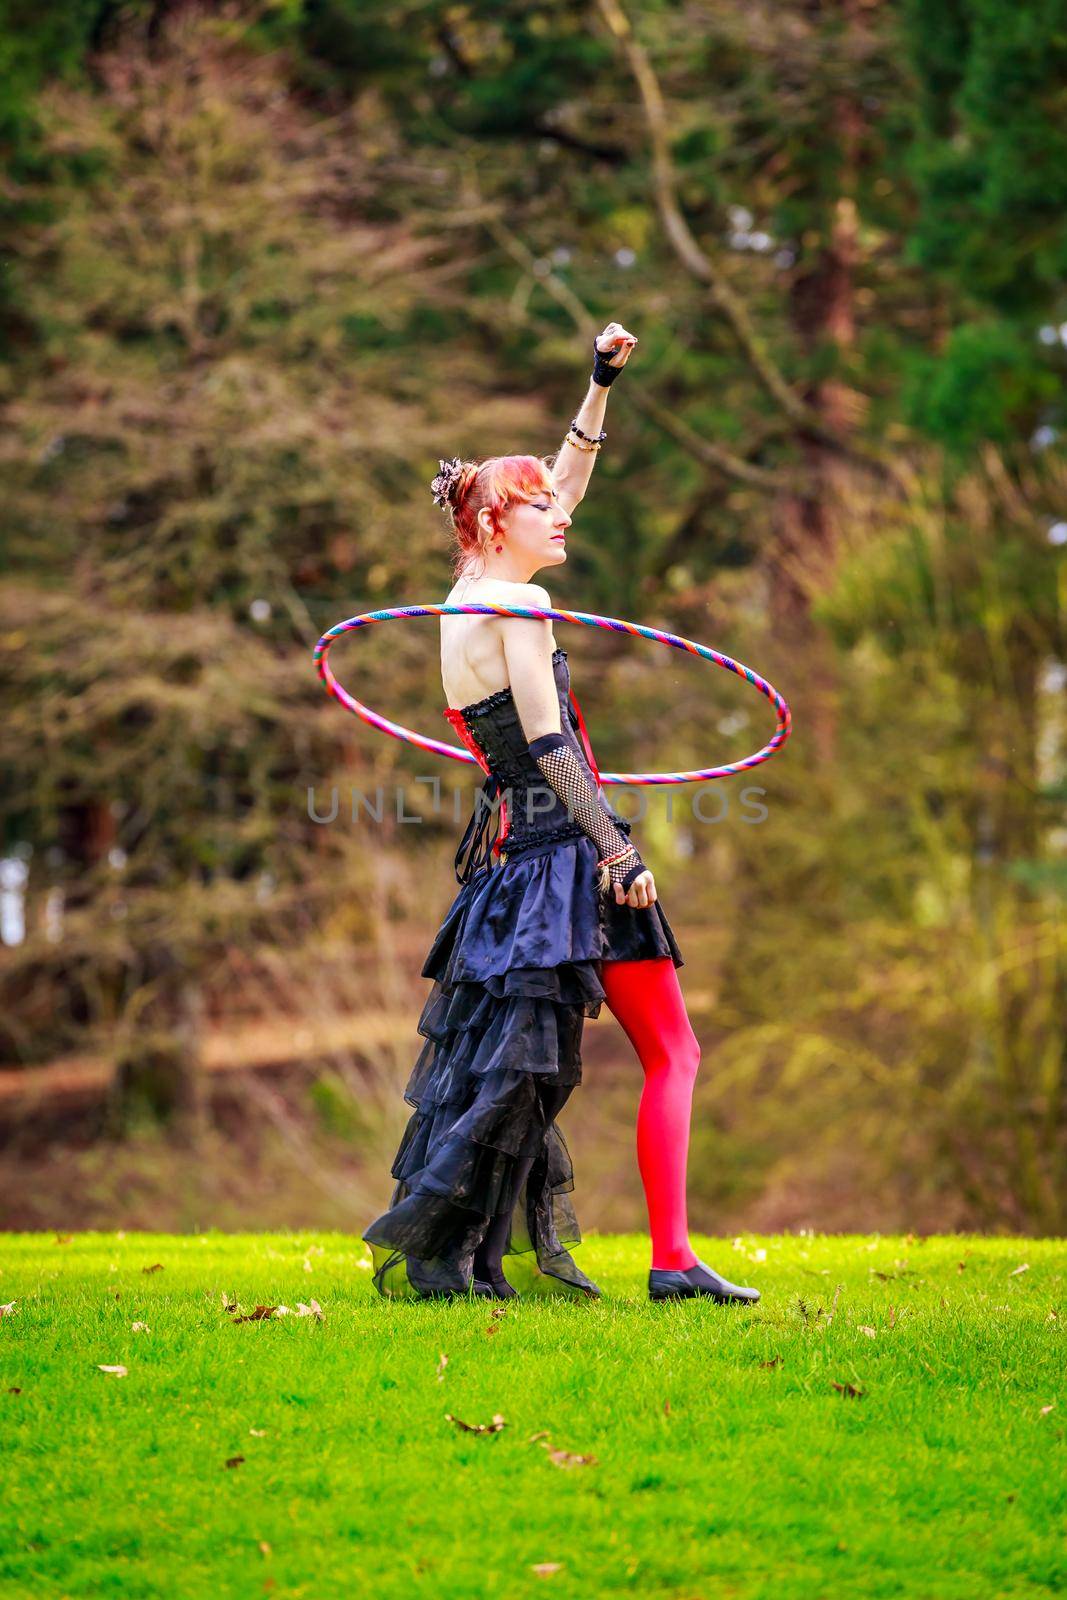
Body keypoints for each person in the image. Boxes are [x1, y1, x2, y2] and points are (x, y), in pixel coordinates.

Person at [362, 323, 760, 1307]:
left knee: (514, 1068)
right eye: (539, 506)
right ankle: (670, 1261)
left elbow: (568, 482)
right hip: (571, 852)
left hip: (515, 860)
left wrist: (599, 384)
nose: (562, 513)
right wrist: (617, 849)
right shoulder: (521, 612)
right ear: (498, 523)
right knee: (669, 1051)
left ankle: (454, 1244)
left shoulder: (470, 598)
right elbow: (550, 747)